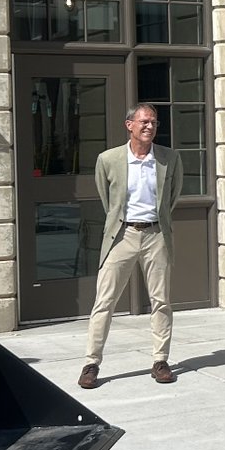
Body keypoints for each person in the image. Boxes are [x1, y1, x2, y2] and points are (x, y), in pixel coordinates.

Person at [79, 104, 184, 390]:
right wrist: (121, 224)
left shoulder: (168, 158)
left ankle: (161, 360)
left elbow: (171, 198)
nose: (149, 126)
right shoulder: (109, 159)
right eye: (144, 121)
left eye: (154, 122)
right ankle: (91, 363)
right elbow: (107, 198)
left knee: (161, 301)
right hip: (122, 235)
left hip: (156, 235)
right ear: (129, 125)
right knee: (105, 301)